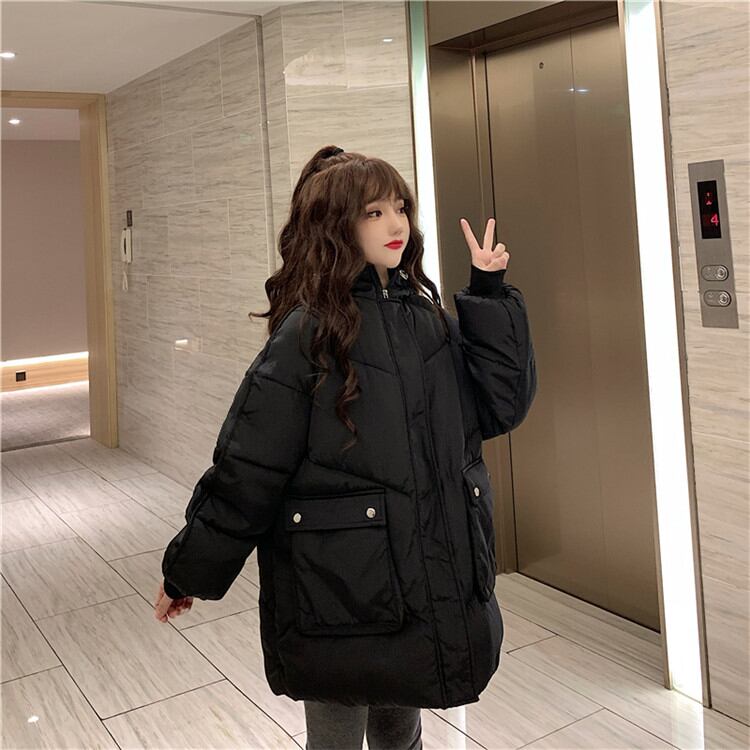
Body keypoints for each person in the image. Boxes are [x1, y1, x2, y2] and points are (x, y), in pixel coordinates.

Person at [153, 145, 537, 749]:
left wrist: (488, 295)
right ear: (336, 226)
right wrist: (189, 571)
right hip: (338, 586)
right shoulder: (308, 333)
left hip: (420, 573)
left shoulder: (427, 320)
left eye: (399, 208)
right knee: (334, 738)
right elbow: (248, 470)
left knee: (400, 731)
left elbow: (499, 408)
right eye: (373, 212)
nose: (394, 223)